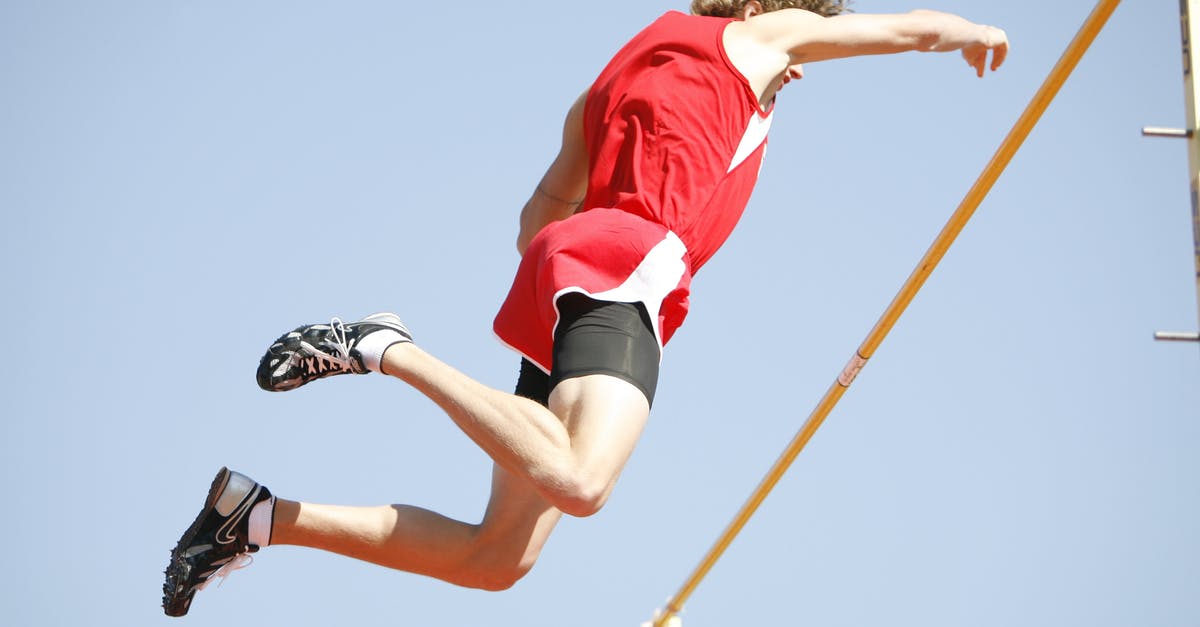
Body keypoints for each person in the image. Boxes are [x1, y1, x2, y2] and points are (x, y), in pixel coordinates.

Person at [163, 0, 1007, 616]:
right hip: (625, 264)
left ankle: (258, 518)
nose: (791, 76)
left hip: (564, 279)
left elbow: (542, 205)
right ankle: (386, 347)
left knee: (494, 559)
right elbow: (891, 31)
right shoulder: (757, 37)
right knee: (581, 480)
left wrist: (564, 269)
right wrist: (964, 32)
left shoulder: (614, 76)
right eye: (794, 61)